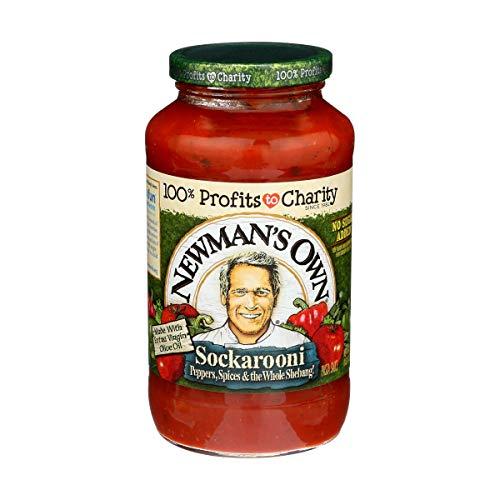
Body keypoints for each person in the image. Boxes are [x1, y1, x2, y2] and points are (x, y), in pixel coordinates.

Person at [194, 251, 309, 348]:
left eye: (261, 292)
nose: (251, 305)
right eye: (240, 292)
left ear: (275, 297)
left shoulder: (299, 344)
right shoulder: (199, 345)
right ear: (224, 296)